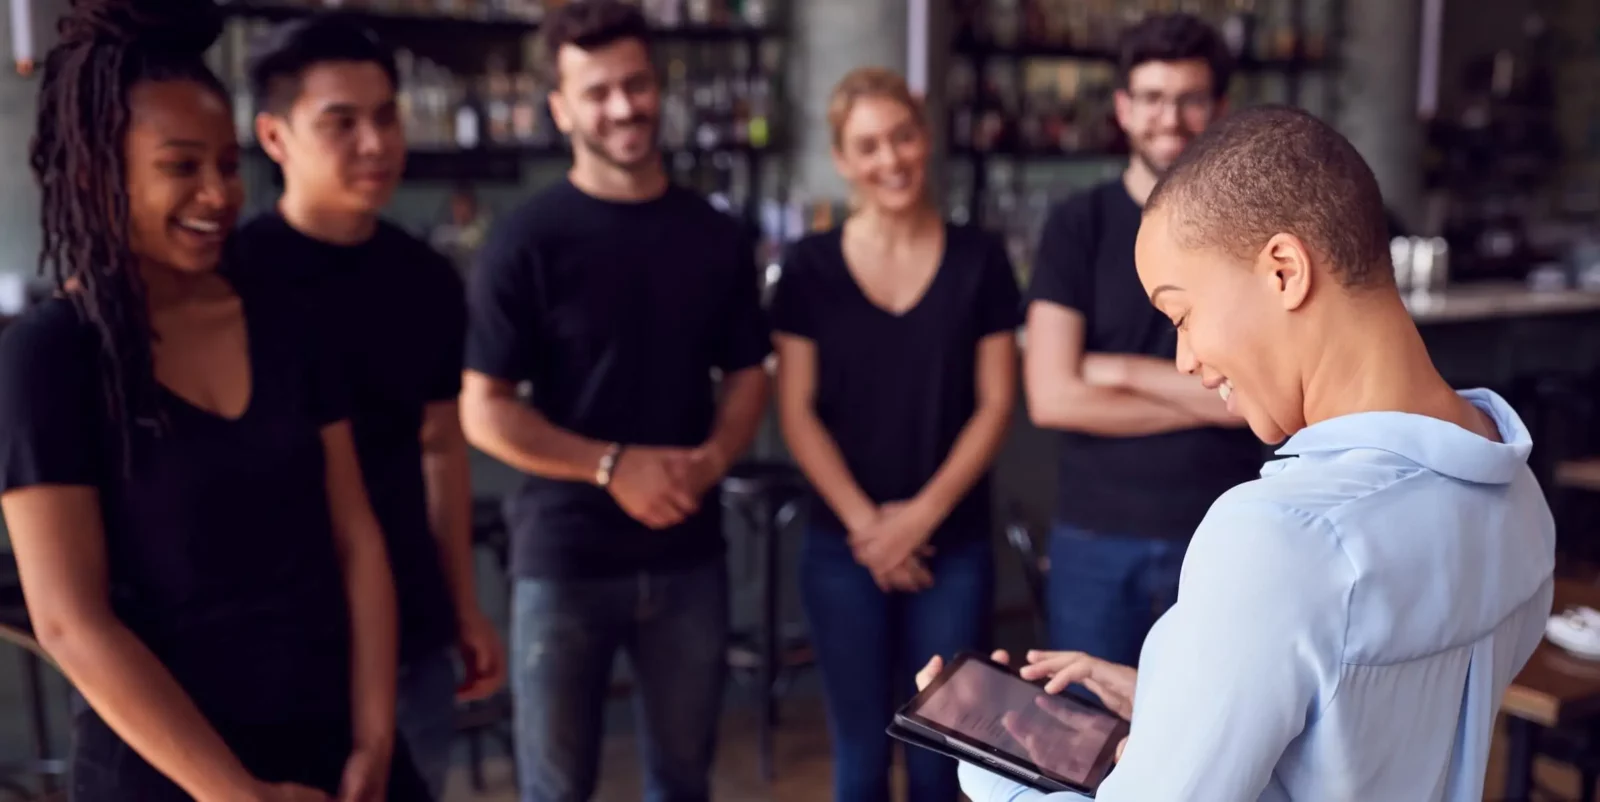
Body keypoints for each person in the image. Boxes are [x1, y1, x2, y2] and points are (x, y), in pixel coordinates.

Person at [919, 105, 1557, 800]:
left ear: (1284, 270)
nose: (1186, 359)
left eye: (1181, 315)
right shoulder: (1517, 491)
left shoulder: (1281, 537)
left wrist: (991, 763)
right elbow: (1374, 724)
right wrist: (1185, 700)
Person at [0, 1, 431, 799]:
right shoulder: (50, 356)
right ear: (98, 171)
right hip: (169, 769)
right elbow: (69, 620)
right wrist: (239, 795)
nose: (216, 194)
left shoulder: (287, 318)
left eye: (228, 166)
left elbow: (356, 540)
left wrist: (373, 741)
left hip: (336, 749)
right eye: (181, 166)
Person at [459, 1, 770, 800]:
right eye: (597, 92)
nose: (623, 106)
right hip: (563, 557)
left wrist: (710, 462)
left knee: (682, 782)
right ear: (560, 108)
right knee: (555, 791)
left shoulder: (714, 233)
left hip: (687, 554)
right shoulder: (525, 238)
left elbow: (747, 376)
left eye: (635, 84)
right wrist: (612, 467)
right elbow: (483, 408)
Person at [228, 16, 506, 798]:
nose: (377, 143)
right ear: (274, 136)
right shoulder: (235, 277)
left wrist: (464, 606)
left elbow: (441, 449)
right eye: (340, 123)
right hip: (274, 632)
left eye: (385, 116)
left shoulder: (425, 278)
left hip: (409, 625)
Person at [770, 67, 1019, 802]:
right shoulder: (809, 268)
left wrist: (915, 521)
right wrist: (869, 528)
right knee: (861, 757)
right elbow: (797, 412)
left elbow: (996, 405)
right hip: (843, 547)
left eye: (903, 136)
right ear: (843, 160)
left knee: (947, 758)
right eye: (869, 145)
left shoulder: (981, 259)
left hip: (955, 541)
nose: (892, 159)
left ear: (926, 136)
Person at [1023, 13, 1260, 664]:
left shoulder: (1252, 231)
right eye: (1153, 98)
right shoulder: (1079, 225)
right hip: (1097, 535)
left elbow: (1256, 403)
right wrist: (1211, 404)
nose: (1170, 118)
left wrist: (1114, 369)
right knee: (1086, 743)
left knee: (1219, 743)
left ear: (1220, 110)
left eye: (1190, 100)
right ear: (1124, 109)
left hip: (1227, 526)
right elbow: (1051, 398)